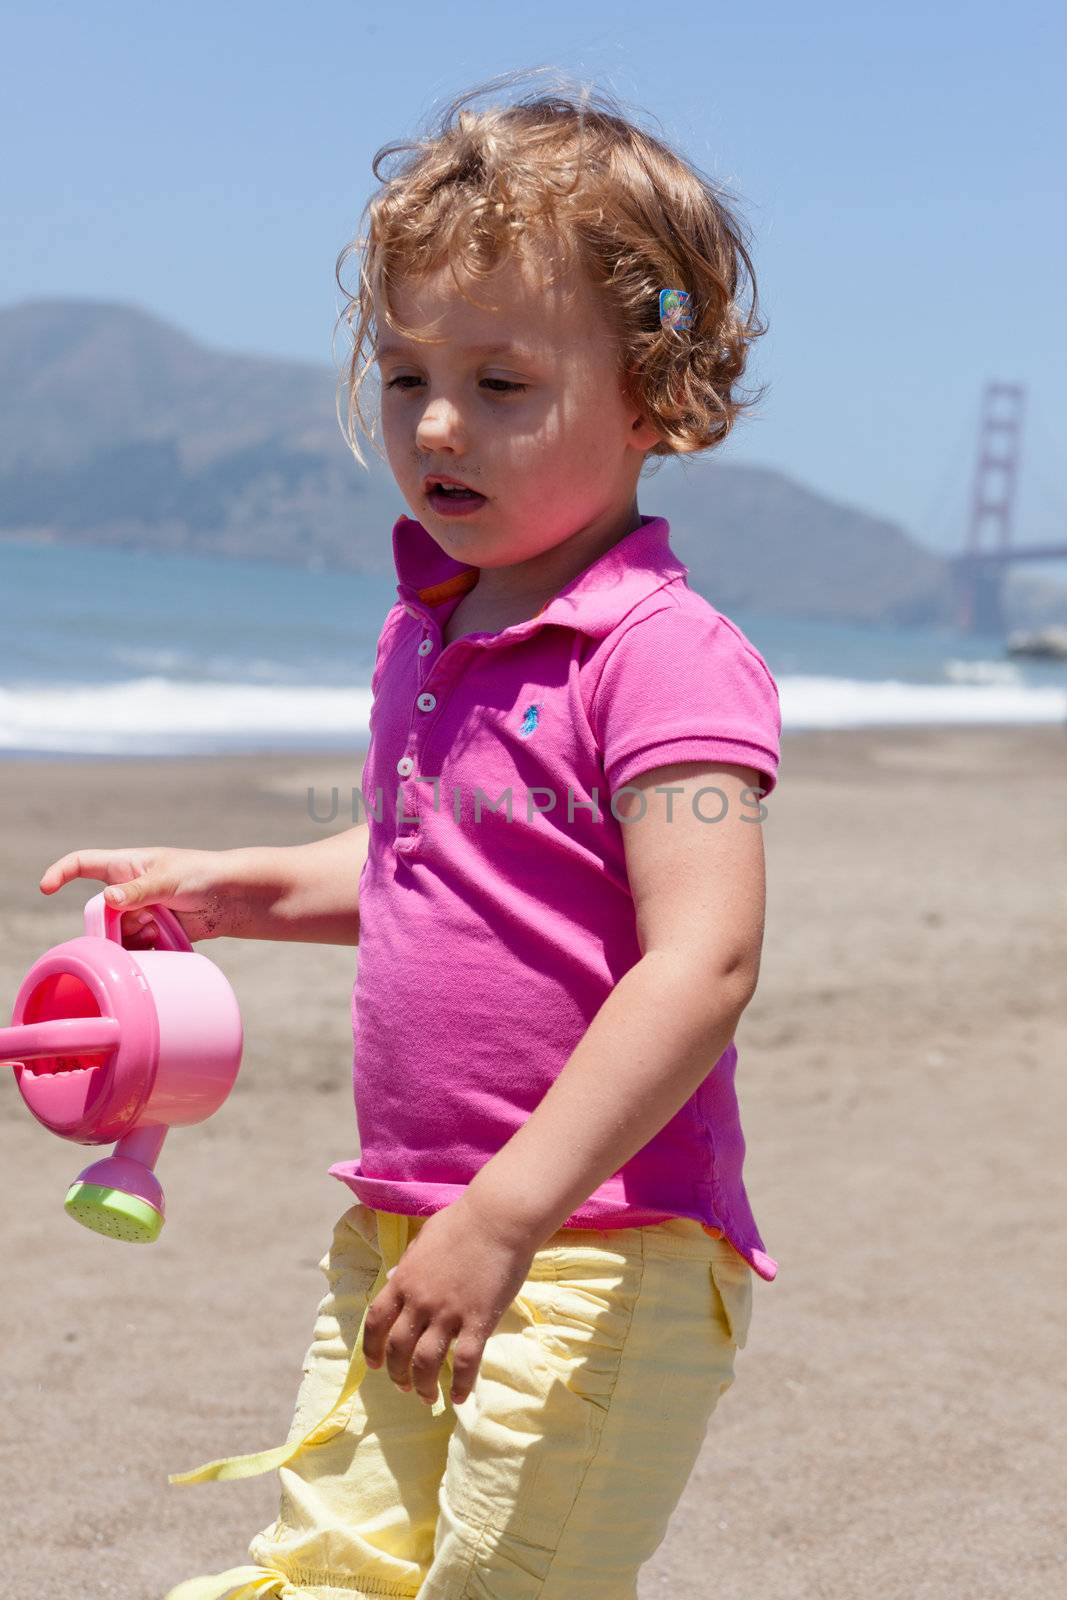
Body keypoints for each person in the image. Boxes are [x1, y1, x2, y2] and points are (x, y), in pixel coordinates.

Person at [39, 72, 782, 1600]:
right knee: (330, 1571)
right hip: (399, 1225)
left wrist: (508, 1213)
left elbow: (704, 962)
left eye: (503, 385)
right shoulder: (428, 634)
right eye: (404, 375)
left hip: (597, 1247)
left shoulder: (661, 652)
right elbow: (430, 876)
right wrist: (234, 889)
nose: (437, 423)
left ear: (657, 398)